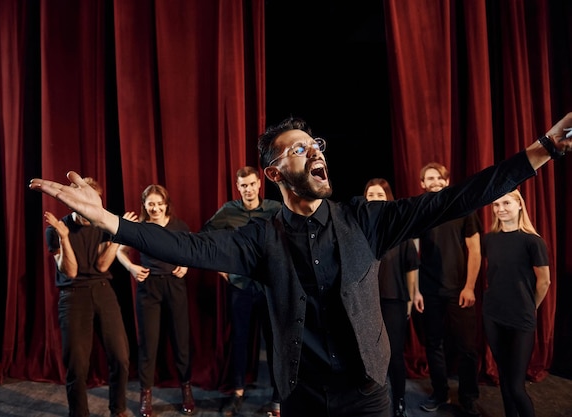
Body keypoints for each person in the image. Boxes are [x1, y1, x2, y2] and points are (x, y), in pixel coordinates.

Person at [29, 112, 572, 417]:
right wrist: (108, 220)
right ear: (271, 173)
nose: (314, 152)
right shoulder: (259, 239)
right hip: (304, 397)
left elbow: (456, 198)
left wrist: (543, 149)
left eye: (315, 144)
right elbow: (188, 248)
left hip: (368, 394)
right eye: (296, 149)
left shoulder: (366, 220)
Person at [43, 177, 130, 417]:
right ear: (72, 202)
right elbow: (69, 271)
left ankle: (118, 409)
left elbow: (102, 266)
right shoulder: (56, 229)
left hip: (103, 290)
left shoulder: (102, 225)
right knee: (77, 366)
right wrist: (64, 238)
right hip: (73, 296)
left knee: (121, 357)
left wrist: (117, 237)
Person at [201, 166, 282, 417]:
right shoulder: (228, 211)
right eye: (243, 185)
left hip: (269, 288)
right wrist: (220, 268)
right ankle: (237, 393)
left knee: (274, 343)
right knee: (239, 341)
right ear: (238, 187)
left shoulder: (274, 209)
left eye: (251, 184)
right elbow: (206, 235)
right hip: (240, 287)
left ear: (259, 184)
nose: (248, 189)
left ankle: (278, 399)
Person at [115, 184, 195, 417]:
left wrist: (186, 264)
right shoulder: (139, 227)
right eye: (151, 204)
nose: (156, 208)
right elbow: (121, 252)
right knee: (148, 343)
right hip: (149, 286)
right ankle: (145, 393)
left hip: (174, 284)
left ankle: (186, 389)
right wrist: (131, 267)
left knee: (181, 340)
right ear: (145, 205)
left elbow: (193, 249)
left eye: (160, 203)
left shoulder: (179, 226)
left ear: (166, 203)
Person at [416, 161, 483, 416]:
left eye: (438, 178)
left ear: (446, 181)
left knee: (467, 347)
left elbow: (475, 250)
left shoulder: (463, 207)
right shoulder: (419, 211)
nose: (434, 182)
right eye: (429, 179)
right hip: (428, 290)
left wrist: (469, 286)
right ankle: (440, 392)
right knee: (433, 344)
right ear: (422, 184)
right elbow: (413, 249)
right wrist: (416, 291)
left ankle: (467, 397)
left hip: (459, 290)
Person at [482, 189, 550, 417]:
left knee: (515, 386)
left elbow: (544, 281)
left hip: (521, 318)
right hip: (493, 315)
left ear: (520, 205)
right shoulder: (489, 239)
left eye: (506, 203)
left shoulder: (532, 241)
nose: (500, 209)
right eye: (496, 205)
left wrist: (531, 307)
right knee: (504, 377)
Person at [364, 178, 420, 417]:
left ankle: (398, 401)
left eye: (380, 195)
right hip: (366, 304)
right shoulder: (358, 231)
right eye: (371, 195)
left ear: (388, 199)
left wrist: (409, 300)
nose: (375, 199)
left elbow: (411, 268)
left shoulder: (402, 230)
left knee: (395, 355)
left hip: (394, 300)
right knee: (367, 355)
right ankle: (370, 402)